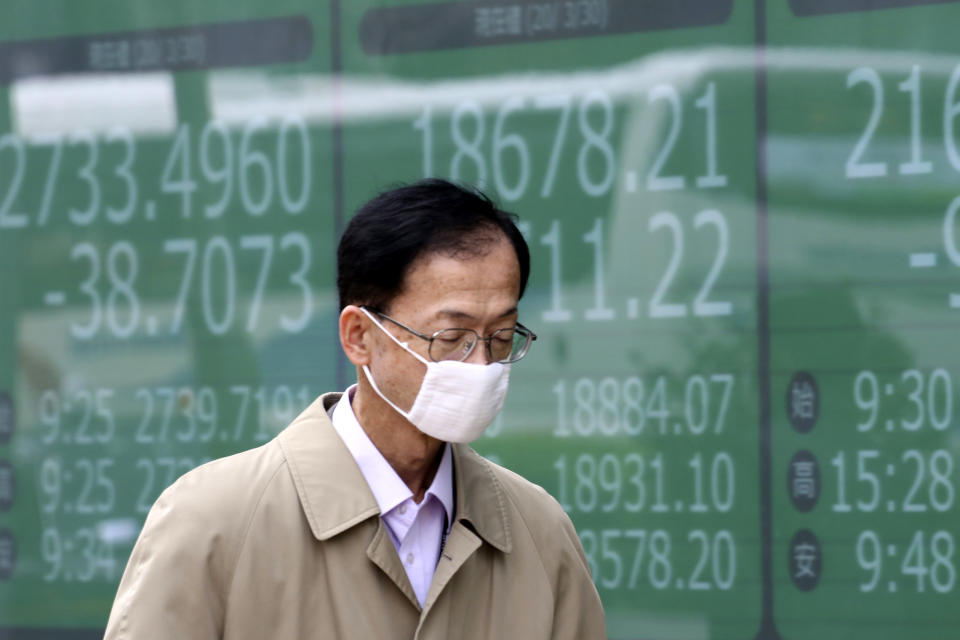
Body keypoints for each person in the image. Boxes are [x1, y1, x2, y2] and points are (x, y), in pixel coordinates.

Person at [104, 179, 606, 639]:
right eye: (451, 337)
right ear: (359, 336)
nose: (480, 364)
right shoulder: (213, 521)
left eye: (500, 336)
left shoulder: (539, 532)